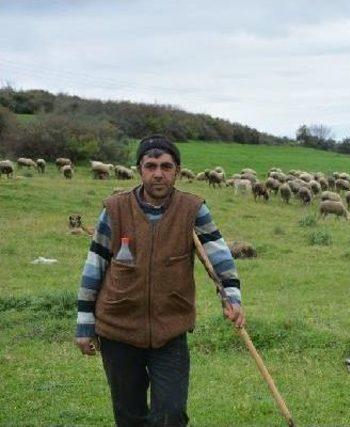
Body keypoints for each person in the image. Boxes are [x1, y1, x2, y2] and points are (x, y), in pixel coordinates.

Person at [75, 135, 244, 426]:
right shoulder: (115, 209)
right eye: (150, 165)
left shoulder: (193, 210)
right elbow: (94, 267)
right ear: (139, 169)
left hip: (170, 330)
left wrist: (231, 296)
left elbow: (219, 256)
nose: (158, 173)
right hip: (118, 329)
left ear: (177, 170)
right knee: (129, 415)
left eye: (166, 166)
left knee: (171, 413)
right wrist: (84, 324)